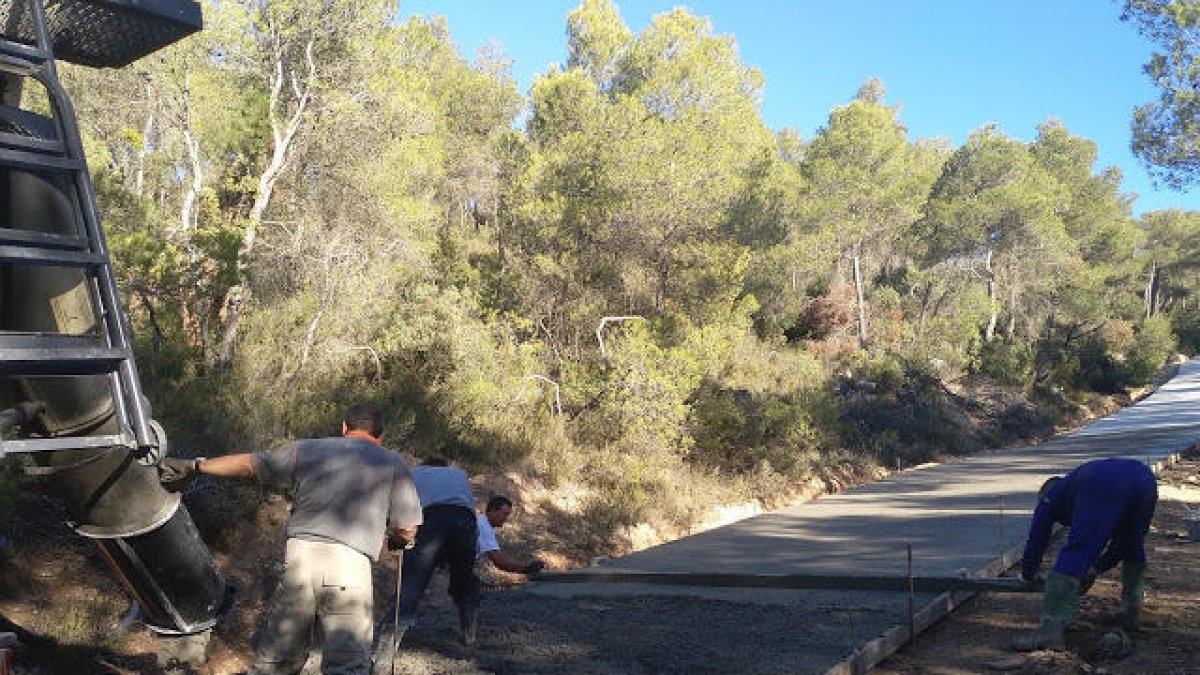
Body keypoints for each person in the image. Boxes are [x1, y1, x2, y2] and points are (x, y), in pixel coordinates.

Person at [159, 403, 423, 675]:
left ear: (344, 427)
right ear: (380, 435)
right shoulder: (391, 461)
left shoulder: (307, 449)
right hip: (349, 565)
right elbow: (407, 528)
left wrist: (196, 466)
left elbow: (249, 463)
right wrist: (398, 540)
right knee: (347, 664)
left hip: (300, 558)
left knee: (276, 661)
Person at [1012, 457, 1158, 651]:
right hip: (1145, 479)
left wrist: (1028, 574)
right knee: (1132, 542)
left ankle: (1049, 631)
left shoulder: (1051, 494)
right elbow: (1121, 545)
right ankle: (1131, 614)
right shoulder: (1074, 485)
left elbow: (1037, 537)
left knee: (1077, 550)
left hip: (1102, 481)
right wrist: (1095, 568)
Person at [398, 458, 482, 644]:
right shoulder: (459, 474)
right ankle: (469, 631)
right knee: (463, 581)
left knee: (412, 583)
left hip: (433, 518)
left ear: (424, 465)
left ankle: (386, 646)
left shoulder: (414, 473)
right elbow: (469, 507)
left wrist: (399, 541)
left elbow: (402, 510)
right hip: (465, 521)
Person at [477, 495, 544, 576]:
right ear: (492, 511)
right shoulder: (483, 526)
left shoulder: (483, 523)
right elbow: (499, 560)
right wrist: (526, 567)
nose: (506, 518)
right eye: (504, 514)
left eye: (507, 515)